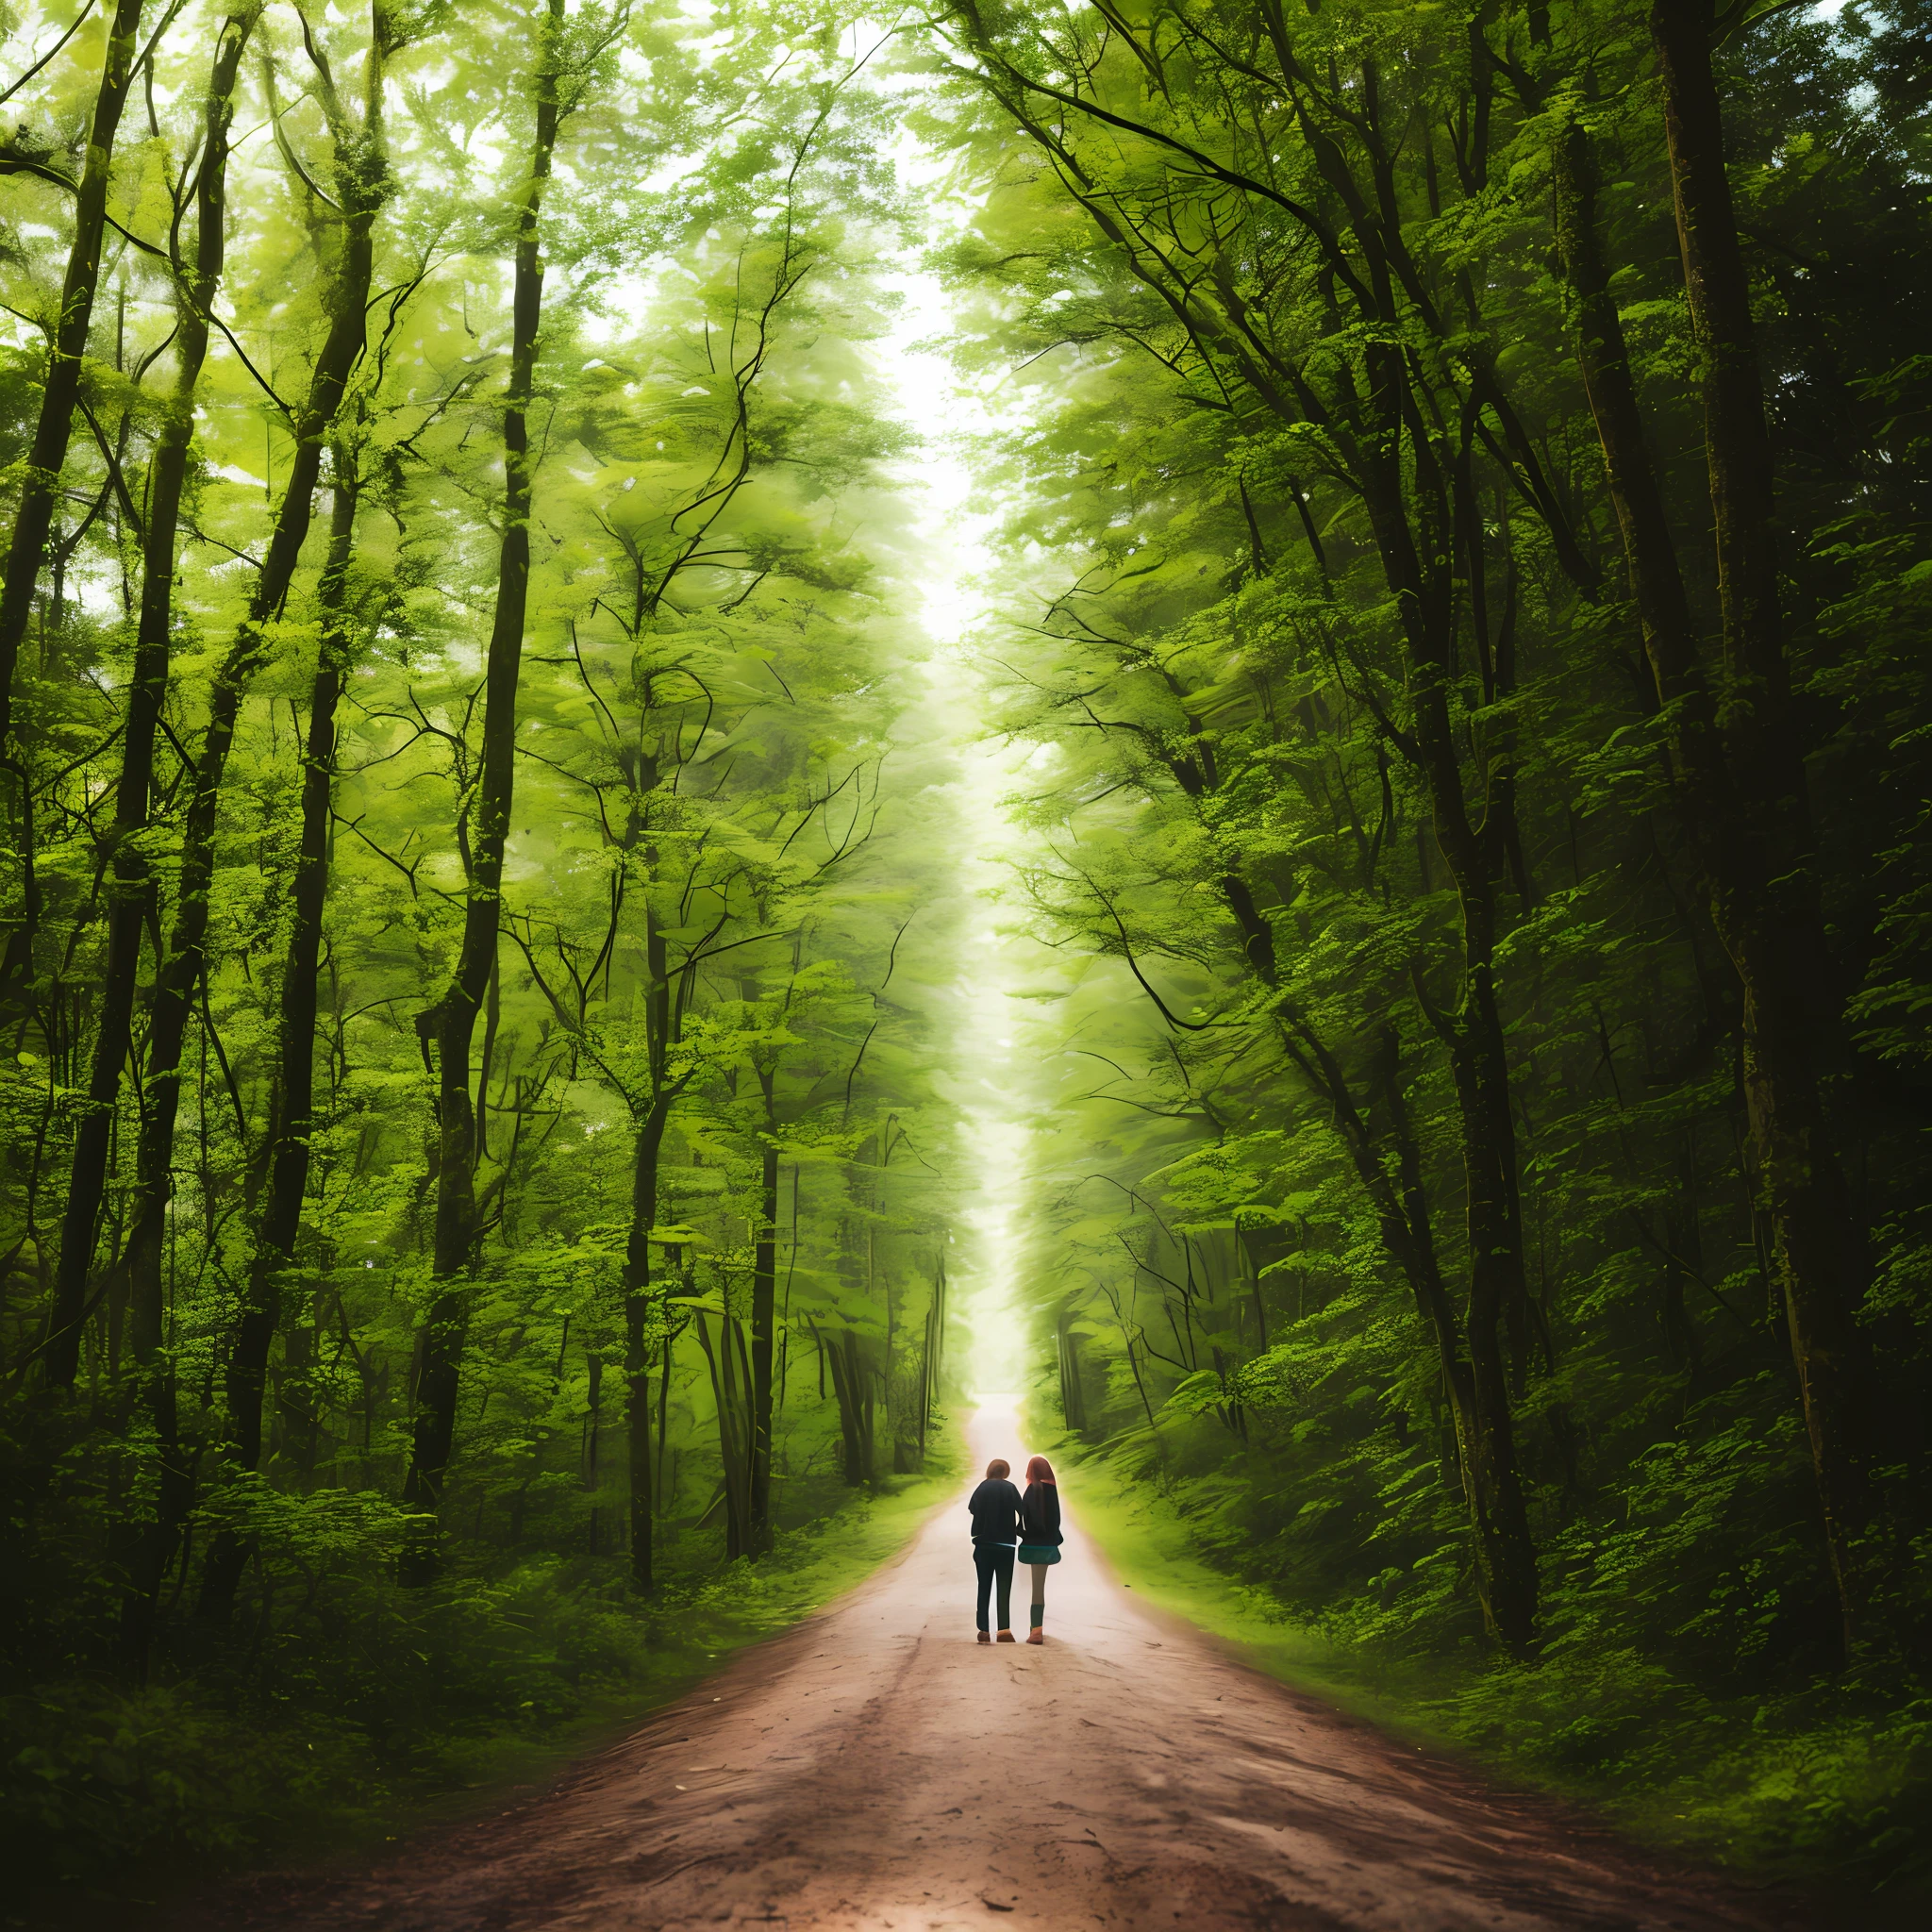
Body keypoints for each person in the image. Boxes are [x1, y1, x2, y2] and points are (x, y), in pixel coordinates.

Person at [967, 1456, 1024, 1642]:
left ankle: (983, 1630)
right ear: (1005, 1472)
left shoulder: (982, 1488)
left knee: (984, 1587)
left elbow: (972, 1508)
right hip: (1006, 1545)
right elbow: (1022, 1510)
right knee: (1003, 1587)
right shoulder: (1010, 1488)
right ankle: (1004, 1631)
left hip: (983, 1544)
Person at [1017, 1454, 1063, 1643]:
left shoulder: (1030, 1491)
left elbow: (1025, 1521)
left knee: (1037, 1590)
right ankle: (1035, 1629)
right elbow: (1056, 1520)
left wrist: (1022, 1534)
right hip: (1048, 1545)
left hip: (1033, 1545)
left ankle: (1036, 1631)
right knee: (1039, 1588)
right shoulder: (1052, 1491)